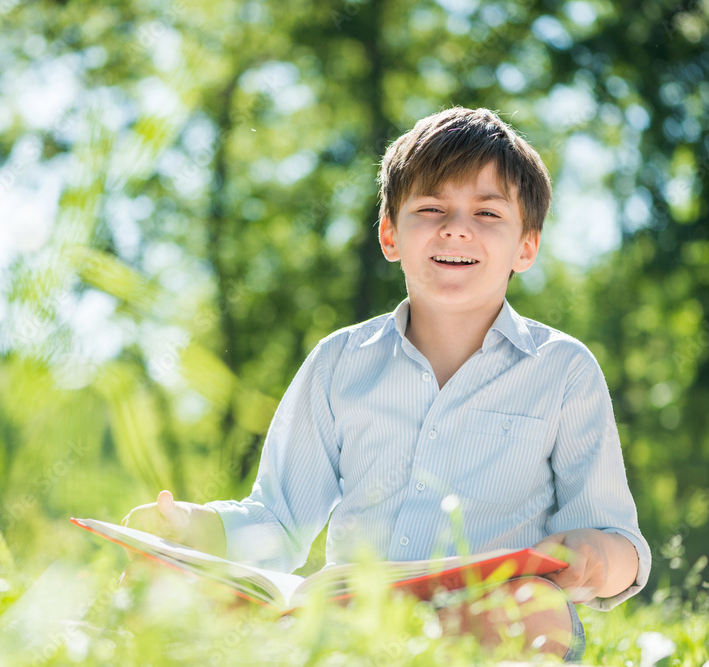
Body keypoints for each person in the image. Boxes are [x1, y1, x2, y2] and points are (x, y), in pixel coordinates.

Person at [121, 106, 651, 661]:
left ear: (527, 246)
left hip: (490, 618)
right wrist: (191, 527)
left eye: (488, 214)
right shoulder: (338, 363)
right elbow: (278, 519)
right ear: (390, 234)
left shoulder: (563, 370)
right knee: (179, 594)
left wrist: (597, 555)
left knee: (529, 607)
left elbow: (619, 541)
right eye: (430, 208)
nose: (456, 227)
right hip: (353, 618)